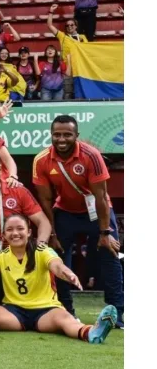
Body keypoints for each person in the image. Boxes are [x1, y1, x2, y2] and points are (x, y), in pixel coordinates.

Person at [0, 215, 118, 344]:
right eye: (10, 230)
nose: (15, 233)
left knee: (65, 318)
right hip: (14, 313)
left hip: (46, 311)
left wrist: (67, 273)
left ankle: (93, 332)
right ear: (4, 235)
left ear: (29, 232)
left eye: (20, 229)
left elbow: (56, 265)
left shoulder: (42, 250)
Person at [32, 115, 124, 327]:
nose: (61, 139)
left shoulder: (91, 156)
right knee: (59, 260)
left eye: (67, 134)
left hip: (98, 212)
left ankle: (116, 314)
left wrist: (105, 233)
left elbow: (101, 197)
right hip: (65, 212)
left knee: (110, 257)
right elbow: (45, 200)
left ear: (76, 136)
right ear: (51, 135)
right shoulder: (41, 160)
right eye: (57, 134)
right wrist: (53, 234)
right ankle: (66, 311)